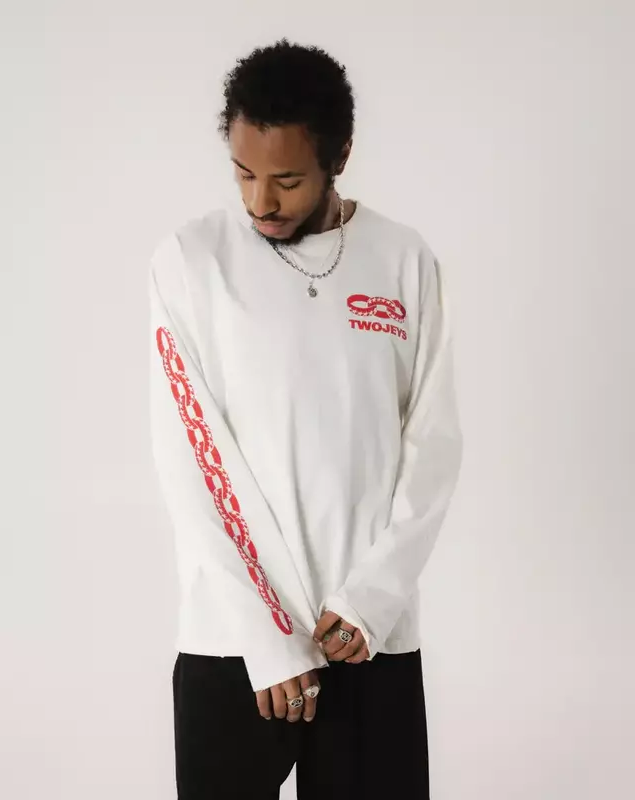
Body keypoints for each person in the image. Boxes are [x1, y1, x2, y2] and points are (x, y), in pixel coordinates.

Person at [148, 38, 463, 800]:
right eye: (243, 173)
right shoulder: (193, 262)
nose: (260, 201)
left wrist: (372, 600)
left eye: (286, 180)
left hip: (366, 635)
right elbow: (192, 459)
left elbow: (433, 446)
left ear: (339, 155)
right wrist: (267, 634)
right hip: (235, 639)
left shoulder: (403, 260)